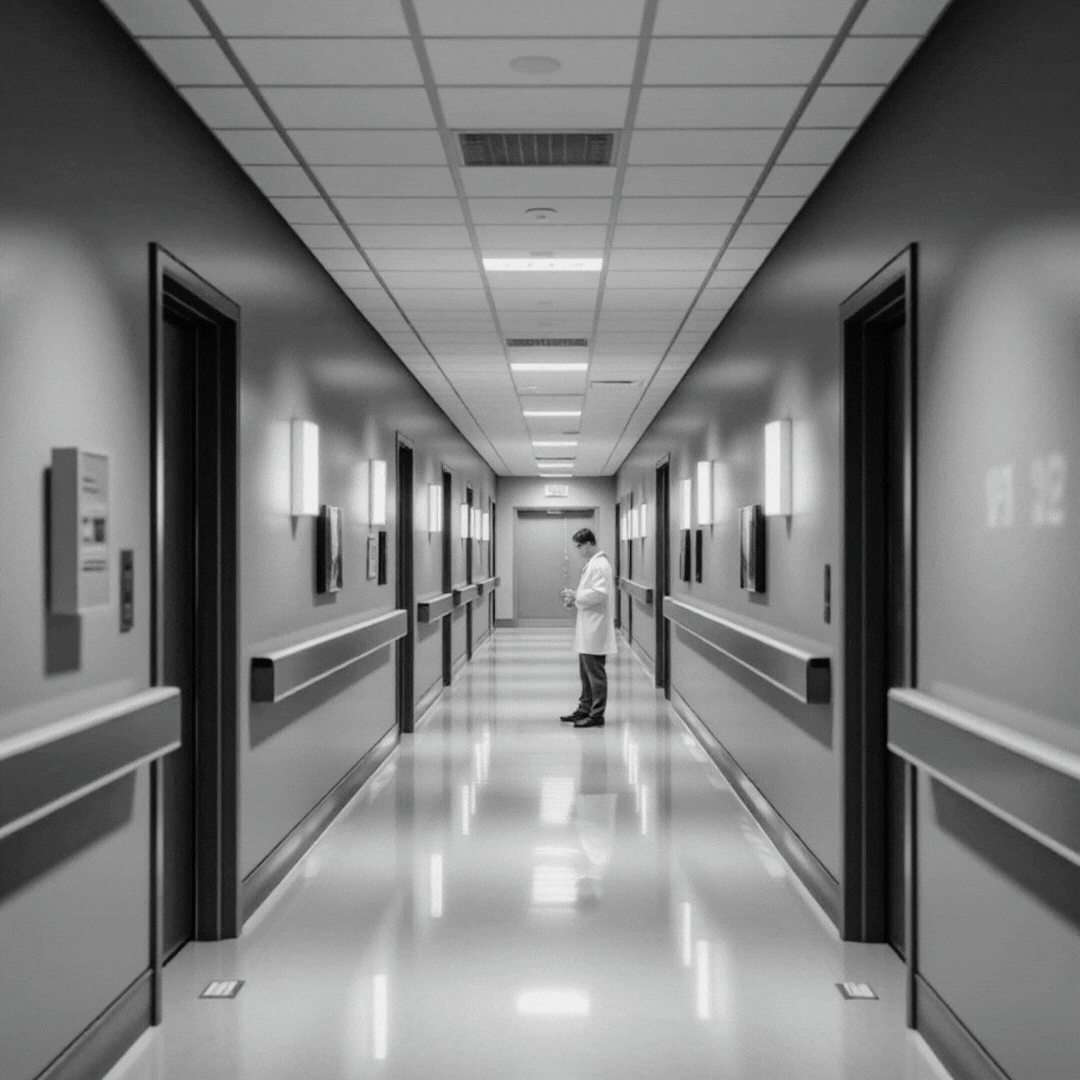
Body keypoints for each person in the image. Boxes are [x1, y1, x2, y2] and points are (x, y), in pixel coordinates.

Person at [559, 528, 616, 728]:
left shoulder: (600, 565)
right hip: (589, 625)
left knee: (595, 674)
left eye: (580, 546)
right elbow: (590, 592)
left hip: (596, 627)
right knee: (585, 673)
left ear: (590, 543)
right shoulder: (593, 564)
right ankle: (584, 708)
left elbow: (600, 593)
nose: (578, 550)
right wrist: (576, 598)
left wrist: (577, 597)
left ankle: (596, 714)